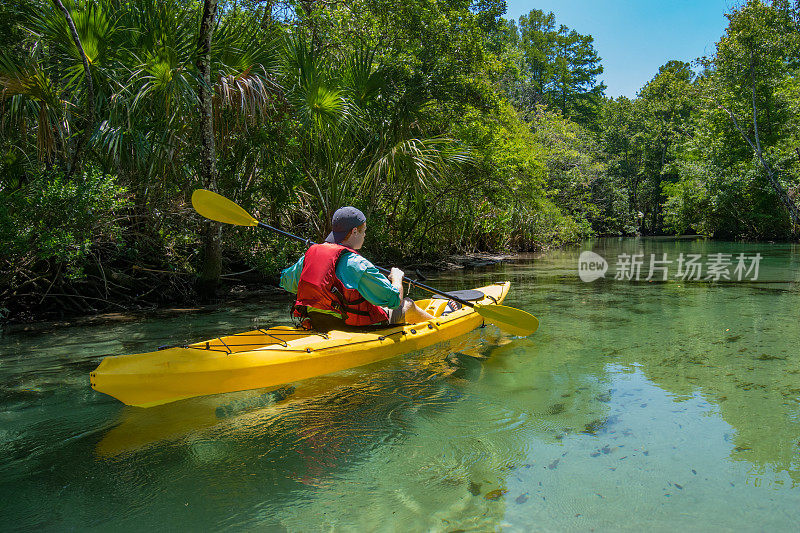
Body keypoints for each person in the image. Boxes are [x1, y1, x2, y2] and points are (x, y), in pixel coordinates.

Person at [279, 206, 434, 332]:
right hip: (350, 326)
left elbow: (285, 281)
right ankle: (439, 326)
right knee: (407, 304)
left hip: (316, 321)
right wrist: (397, 278)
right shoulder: (358, 264)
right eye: (364, 231)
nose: (364, 235)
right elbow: (394, 301)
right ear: (354, 231)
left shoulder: (309, 256)